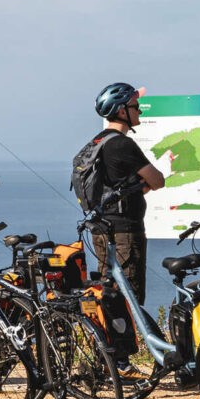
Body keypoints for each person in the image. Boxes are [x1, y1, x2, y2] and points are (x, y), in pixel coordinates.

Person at [85, 82, 166, 372]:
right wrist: (141, 186)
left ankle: (112, 358)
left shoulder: (96, 143)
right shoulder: (123, 144)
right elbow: (158, 180)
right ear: (122, 111)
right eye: (135, 106)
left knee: (110, 292)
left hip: (101, 230)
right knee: (129, 295)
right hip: (125, 232)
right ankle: (120, 361)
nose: (140, 109)